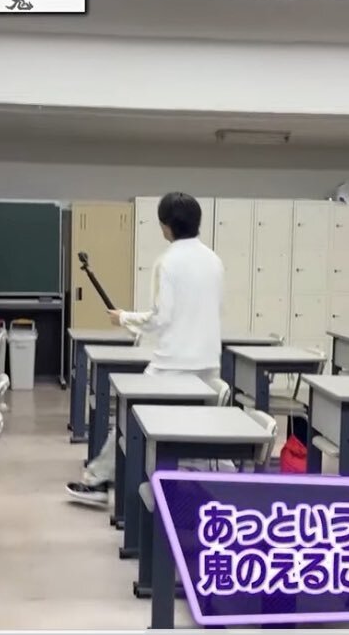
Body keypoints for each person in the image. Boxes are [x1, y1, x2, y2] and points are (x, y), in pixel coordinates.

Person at [66, 192, 224, 506]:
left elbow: (162, 317)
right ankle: (194, 491)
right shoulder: (214, 260)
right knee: (197, 432)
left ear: (165, 226)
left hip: (173, 365)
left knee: (130, 418)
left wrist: (125, 318)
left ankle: (99, 482)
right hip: (208, 364)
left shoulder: (168, 262)